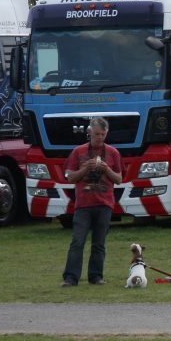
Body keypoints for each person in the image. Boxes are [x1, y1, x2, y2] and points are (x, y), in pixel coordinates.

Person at [61, 116, 123, 286]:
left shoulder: (113, 153)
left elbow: (119, 179)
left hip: (104, 204)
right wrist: (85, 169)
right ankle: (70, 277)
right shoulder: (78, 152)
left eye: (103, 134)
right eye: (96, 134)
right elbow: (70, 177)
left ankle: (96, 276)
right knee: (77, 241)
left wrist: (107, 169)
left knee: (99, 243)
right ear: (89, 132)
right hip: (83, 205)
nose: (100, 138)